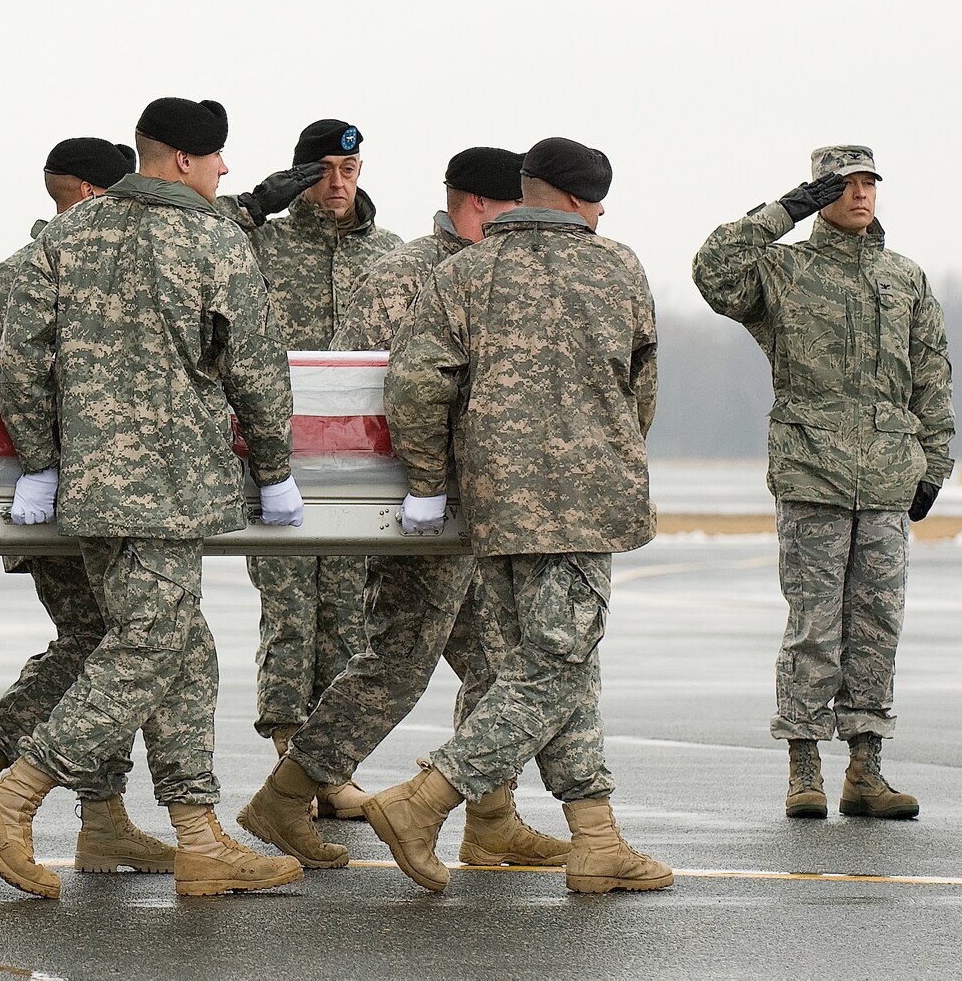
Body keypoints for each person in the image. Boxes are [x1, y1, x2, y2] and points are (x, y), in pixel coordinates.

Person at [0, 96, 306, 899]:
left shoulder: (66, 238)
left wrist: (42, 462)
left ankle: (198, 831)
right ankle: (13, 799)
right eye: (217, 156)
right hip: (172, 485)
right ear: (183, 159)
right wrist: (276, 469)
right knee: (149, 646)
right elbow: (256, 366)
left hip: (86, 487)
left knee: (184, 648)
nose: (226, 170)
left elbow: (22, 361)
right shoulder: (215, 240)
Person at [237, 146, 565, 873]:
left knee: (495, 661)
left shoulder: (491, 271)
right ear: (478, 205)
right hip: (421, 506)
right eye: (520, 208)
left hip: (475, 503)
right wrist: (418, 488)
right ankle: (287, 794)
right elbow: (368, 397)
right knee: (398, 662)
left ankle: (493, 818)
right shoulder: (411, 276)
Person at [365, 137, 673, 895]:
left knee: (540, 672)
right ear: (576, 200)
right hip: (582, 507)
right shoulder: (618, 267)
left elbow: (414, 387)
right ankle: (424, 800)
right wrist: (611, 455)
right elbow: (642, 387)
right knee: (555, 671)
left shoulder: (464, 271)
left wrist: (432, 480)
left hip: (493, 503)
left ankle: (596, 836)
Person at [0, 137, 179, 878]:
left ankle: (101, 818)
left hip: (34, 498)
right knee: (112, 641)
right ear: (96, 197)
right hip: (80, 495)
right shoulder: (88, 274)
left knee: (105, 640)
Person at [692, 146, 953, 820]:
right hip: (813, 472)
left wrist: (936, 462)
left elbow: (931, 376)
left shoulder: (904, 278)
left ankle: (865, 768)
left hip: (889, 477)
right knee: (814, 624)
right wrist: (788, 207)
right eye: (844, 184)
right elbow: (712, 269)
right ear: (821, 190)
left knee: (878, 623)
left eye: (869, 182)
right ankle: (803, 765)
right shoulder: (784, 271)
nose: (861, 194)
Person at [224, 120, 404, 816]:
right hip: (276, 455)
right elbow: (196, 238)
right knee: (290, 607)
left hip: (360, 461)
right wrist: (257, 203)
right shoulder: (260, 244)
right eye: (324, 169)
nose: (338, 184)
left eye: (350, 168)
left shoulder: (388, 255)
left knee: (351, 615)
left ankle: (332, 766)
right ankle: (292, 763)